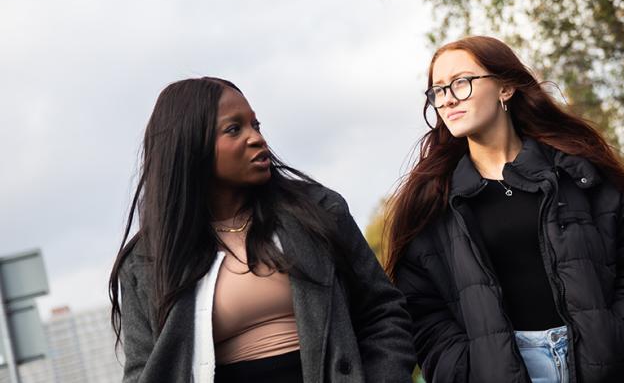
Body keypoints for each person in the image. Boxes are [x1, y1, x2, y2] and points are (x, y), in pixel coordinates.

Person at [386, 36, 624, 383]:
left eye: (460, 83)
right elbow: (419, 307)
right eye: (438, 90)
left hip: (597, 364)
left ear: (505, 89)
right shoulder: (432, 201)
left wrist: (623, 335)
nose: (448, 99)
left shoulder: (576, 173)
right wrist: (466, 370)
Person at [108, 77, 415, 383]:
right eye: (234, 129)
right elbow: (142, 371)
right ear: (190, 146)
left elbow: (382, 311)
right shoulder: (145, 262)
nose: (256, 138)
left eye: (256, 125)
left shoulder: (319, 211)